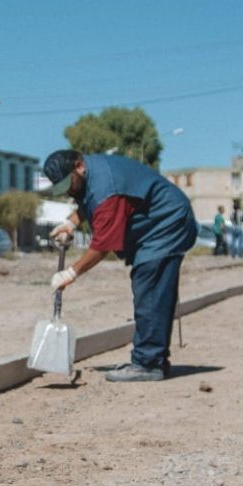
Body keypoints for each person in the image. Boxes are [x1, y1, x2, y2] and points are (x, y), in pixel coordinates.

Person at [43, 148, 196, 382]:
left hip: (167, 223)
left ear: (79, 167)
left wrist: (71, 272)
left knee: (150, 286)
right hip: (156, 225)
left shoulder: (107, 188)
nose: (70, 191)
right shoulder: (92, 174)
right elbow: (88, 201)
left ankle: (148, 363)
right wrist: (70, 223)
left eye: (69, 183)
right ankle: (153, 359)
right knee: (150, 286)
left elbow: (103, 245)